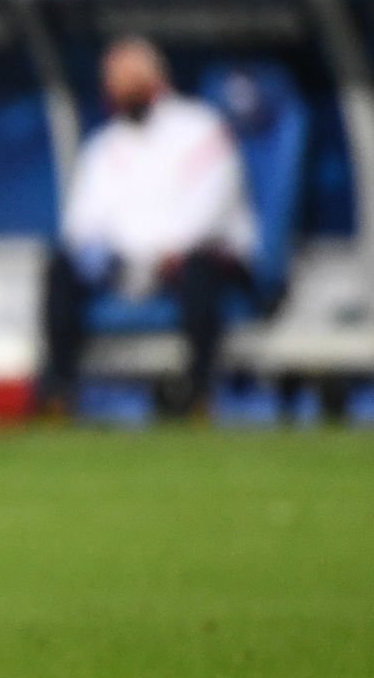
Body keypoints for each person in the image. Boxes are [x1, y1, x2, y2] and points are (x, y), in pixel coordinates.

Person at [39, 38, 256, 415]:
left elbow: (210, 206)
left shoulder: (199, 128)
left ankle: (198, 394)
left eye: (128, 81)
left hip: (197, 257)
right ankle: (58, 392)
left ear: (155, 79)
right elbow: (82, 221)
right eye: (114, 83)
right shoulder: (105, 145)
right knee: (60, 268)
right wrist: (111, 257)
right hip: (126, 264)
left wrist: (163, 252)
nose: (119, 91)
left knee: (199, 270)